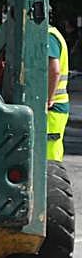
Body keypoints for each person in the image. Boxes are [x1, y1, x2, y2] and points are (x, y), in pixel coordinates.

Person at [47, 20, 70, 162]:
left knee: (50, 157)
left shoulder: (48, 36)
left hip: (52, 107)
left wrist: (48, 99)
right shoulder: (53, 34)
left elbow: (54, 71)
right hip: (55, 106)